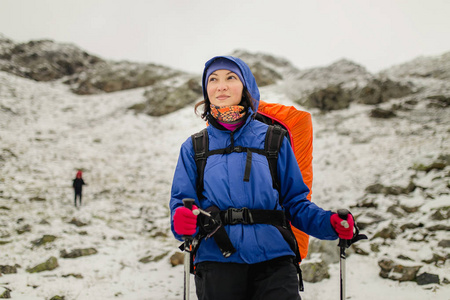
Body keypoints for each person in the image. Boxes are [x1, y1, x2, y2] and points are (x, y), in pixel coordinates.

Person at [169, 56, 355, 300]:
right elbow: (183, 204)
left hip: (275, 260)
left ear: (246, 87)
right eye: (213, 79)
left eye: (230, 78)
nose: (221, 85)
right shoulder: (194, 147)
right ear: (206, 90)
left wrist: (328, 223)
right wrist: (180, 221)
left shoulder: (274, 140)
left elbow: (295, 204)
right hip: (217, 259)